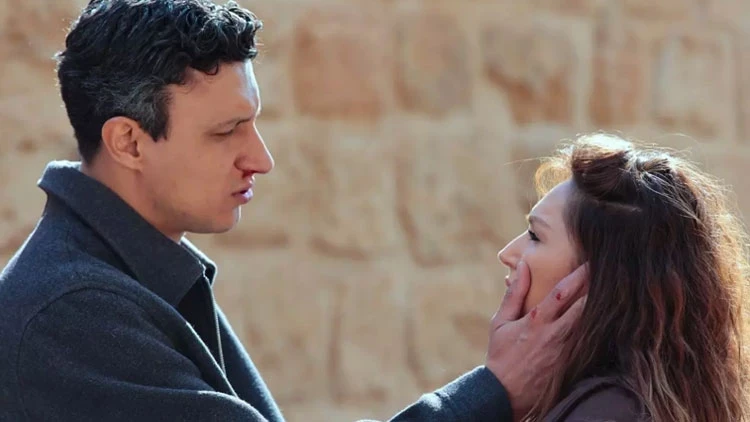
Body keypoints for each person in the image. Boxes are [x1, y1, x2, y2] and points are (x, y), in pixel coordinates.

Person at [0, 1, 587, 421]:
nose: (261, 159)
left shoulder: (131, 274)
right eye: (226, 132)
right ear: (129, 142)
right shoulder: (69, 313)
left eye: (253, 123)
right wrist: (492, 393)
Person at [497, 133, 750, 421]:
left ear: (602, 277)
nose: (507, 254)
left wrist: (491, 392)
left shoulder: (606, 413)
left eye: (535, 236)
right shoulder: (625, 402)